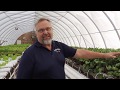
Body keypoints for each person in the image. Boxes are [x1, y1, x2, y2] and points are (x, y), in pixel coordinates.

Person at [16, 18, 120, 79]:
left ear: (52, 30)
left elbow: (80, 53)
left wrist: (104, 55)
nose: (45, 32)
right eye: (41, 30)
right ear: (36, 33)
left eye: (48, 29)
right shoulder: (29, 54)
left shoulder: (58, 46)